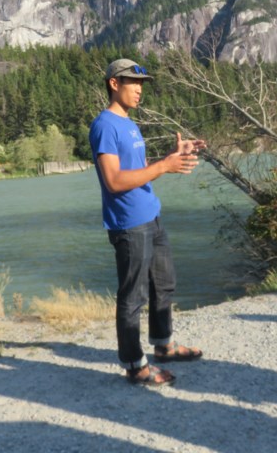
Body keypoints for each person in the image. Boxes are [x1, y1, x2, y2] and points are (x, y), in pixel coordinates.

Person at [89, 58, 207, 386]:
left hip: (151, 216)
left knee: (163, 285)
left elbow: (138, 172)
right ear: (114, 84)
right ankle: (134, 365)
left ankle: (163, 346)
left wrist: (174, 155)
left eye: (142, 84)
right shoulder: (104, 126)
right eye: (133, 83)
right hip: (129, 225)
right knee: (133, 296)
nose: (140, 90)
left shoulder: (130, 124)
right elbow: (113, 181)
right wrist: (165, 167)